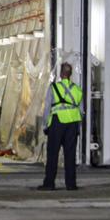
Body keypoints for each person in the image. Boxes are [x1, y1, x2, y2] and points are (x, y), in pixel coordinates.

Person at [37, 61, 83, 191]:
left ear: (61, 74)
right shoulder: (77, 90)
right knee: (70, 154)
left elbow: (47, 108)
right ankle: (71, 184)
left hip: (57, 123)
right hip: (72, 124)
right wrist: (77, 126)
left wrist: (45, 125)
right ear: (70, 74)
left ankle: (49, 183)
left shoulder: (53, 88)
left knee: (52, 154)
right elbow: (81, 110)